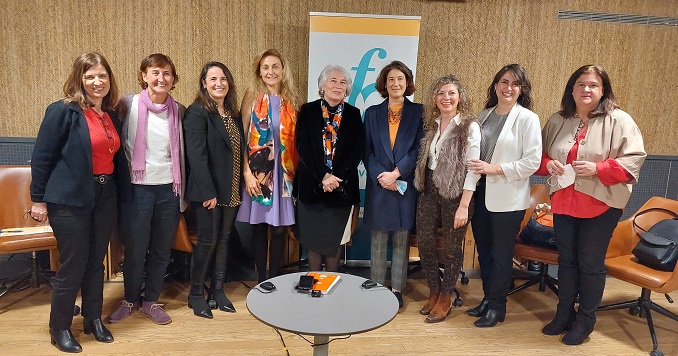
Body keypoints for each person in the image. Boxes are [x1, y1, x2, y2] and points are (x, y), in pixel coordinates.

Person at [537, 65, 646, 345]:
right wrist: (551, 164)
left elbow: (634, 160)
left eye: (593, 85)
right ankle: (563, 314)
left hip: (601, 204)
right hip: (563, 201)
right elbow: (541, 157)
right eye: (581, 84)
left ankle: (585, 320)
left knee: (590, 264)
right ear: (571, 89)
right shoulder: (558, 119)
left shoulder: (619, 120)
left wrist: (598, 168)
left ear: (603, 90)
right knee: (567, 261)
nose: (586, 89)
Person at [30, 52, 125, 353]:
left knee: (96, 263)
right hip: (69, 200)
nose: (97, 82)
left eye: (102, 76)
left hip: (104, 195)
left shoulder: (110, 114)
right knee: (73, 264)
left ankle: (93, 319)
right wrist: (38, 200)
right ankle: (59, 327)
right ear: (79, 79)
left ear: (110, 80)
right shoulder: (63, 111)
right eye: (90, 76)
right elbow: (42, 158)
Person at [107, 53, 186, 326]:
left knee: (162, 250)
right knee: (136, 248)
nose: (160, 78)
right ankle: (130, 300)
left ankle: (151, 301)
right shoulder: (127, 104)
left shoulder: (180, 110)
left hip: (169, 190)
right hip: (137, 189)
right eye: (155, 72)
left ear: (173, 79)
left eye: (166, 73)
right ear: (144, 76)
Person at [466, 64, 542, 327]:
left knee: (500, 254)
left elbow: (533, 161)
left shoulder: (527, 119)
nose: (508, 88)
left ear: (521, 90)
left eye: (515, 84)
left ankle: (498, 307)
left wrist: (495, 169)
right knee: (484, 252)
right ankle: (488, 298)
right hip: (481, 193)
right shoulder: (483, 115)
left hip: (508, 196)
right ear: (495, 85)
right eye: (504, 82)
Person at [413, 74, 480, 323]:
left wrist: (464, 205)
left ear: (460, 97)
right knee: (425, 242)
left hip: (456, 193)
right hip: (429, 189)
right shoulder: (432, 125)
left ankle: (446, 296)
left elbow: (473, 168)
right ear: (435, 98)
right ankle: (434, 289)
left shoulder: (469, 127)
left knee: (452, 250)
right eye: (441, 93)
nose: (446, 98)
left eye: (451, 93)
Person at [183, 62, 244, 318]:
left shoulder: (232, 112)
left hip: (231, 187)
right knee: (207, 241)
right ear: (204, 83)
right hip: (208, 191)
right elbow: (196, 157)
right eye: (213, 79)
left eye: (223, 78)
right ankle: (196, 293)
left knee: (223, 239)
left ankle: (217, 290)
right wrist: (208, 192)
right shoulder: (197, 112)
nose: (219, 83)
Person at [364, 61, 423, 308]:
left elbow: (420, 148)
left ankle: (397, 289)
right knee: (378, 239)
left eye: (400, 79)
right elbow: (366, 151)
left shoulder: (419, 111)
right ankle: (377, 287)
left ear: (407, 83)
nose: (395, 84)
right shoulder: (372, 113)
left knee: (401, 240)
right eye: (390, 79)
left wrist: (397, 173)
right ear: (384, 84)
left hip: (405, 185)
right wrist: (383, 176)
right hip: (379, 186)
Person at [237, 49, 299, 282]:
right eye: (265, 67)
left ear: (283, 71)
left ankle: (274, 279)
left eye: (275, 67)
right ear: (259, 72)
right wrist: (246, 173)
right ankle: (261, 279)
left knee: (280, 229)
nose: (270, 71)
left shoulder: (292, 101)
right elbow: (242, 137)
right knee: (259, 227)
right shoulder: (251, 98)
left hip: (284, 175)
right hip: (258, 174)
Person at [295, 65, 365, 272]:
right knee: (314, 242)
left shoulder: (353, 114)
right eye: (333, 81)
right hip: (312, 187)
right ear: (322, 85)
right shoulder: (307, 110)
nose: (338, 86)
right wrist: (324, 176)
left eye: (343, 83)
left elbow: (357, 150)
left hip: (341, 190)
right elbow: (302, 146)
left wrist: (336, 178)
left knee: (334, 243)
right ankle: (315, 284)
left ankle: (331, 285)